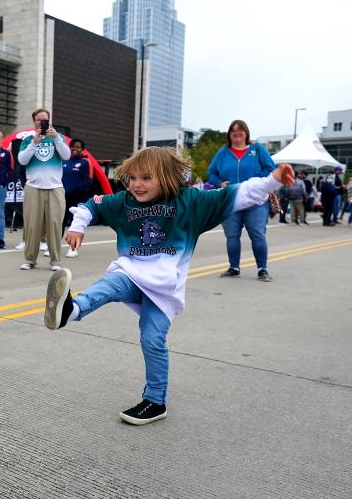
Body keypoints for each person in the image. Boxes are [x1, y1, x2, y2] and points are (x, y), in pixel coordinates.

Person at [44, 146, 294, 425]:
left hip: (165, 288)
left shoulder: (191, 203)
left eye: (146, 178)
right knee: (111, 283)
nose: (137, 185)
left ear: (166, 177)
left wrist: (274, 178)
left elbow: (238, 193)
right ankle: (71, 310)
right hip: (132, 272)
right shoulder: (125, 201)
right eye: (133, 178)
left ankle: (155, 401)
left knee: (152, 340)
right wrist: (78, 225)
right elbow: (93, 205)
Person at [207, 120, 277, 281]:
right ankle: (234, 268)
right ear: (229, 134)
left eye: (240, 130)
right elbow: (211, 172)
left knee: (257, 234)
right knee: (232, 236)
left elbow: (270, 168)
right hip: (231, 198)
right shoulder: (223, 153)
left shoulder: (257, 149)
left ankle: (262, 269)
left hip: (255, 199)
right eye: (233, 130)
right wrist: (219, 183)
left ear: (246, 133)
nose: (236, 133)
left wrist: (253, 181)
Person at [16, 108, 71, 271]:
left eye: (45, 119)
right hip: (33, 187)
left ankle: (55, 261)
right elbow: (22, 160)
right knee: (32, 225)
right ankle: (30, 260)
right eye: (39, 119)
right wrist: (35, 142)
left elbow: (66, 155)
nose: (42, 122)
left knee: (54, 224)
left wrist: (56, 139)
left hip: (55, 187)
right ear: (34, 122)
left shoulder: (58, 137)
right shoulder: (27, 139)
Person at [61, 138, 93, 258]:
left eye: (78, 147)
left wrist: (73, 190)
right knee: (60, 222)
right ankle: (53, 247)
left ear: (82, 149)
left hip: (78, 198)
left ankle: (73, 248)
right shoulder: (65, 161)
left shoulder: (86, 162)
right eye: (73, 146)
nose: (75, 148)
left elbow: (88, 181)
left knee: (76, 224)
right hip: (63, 197)